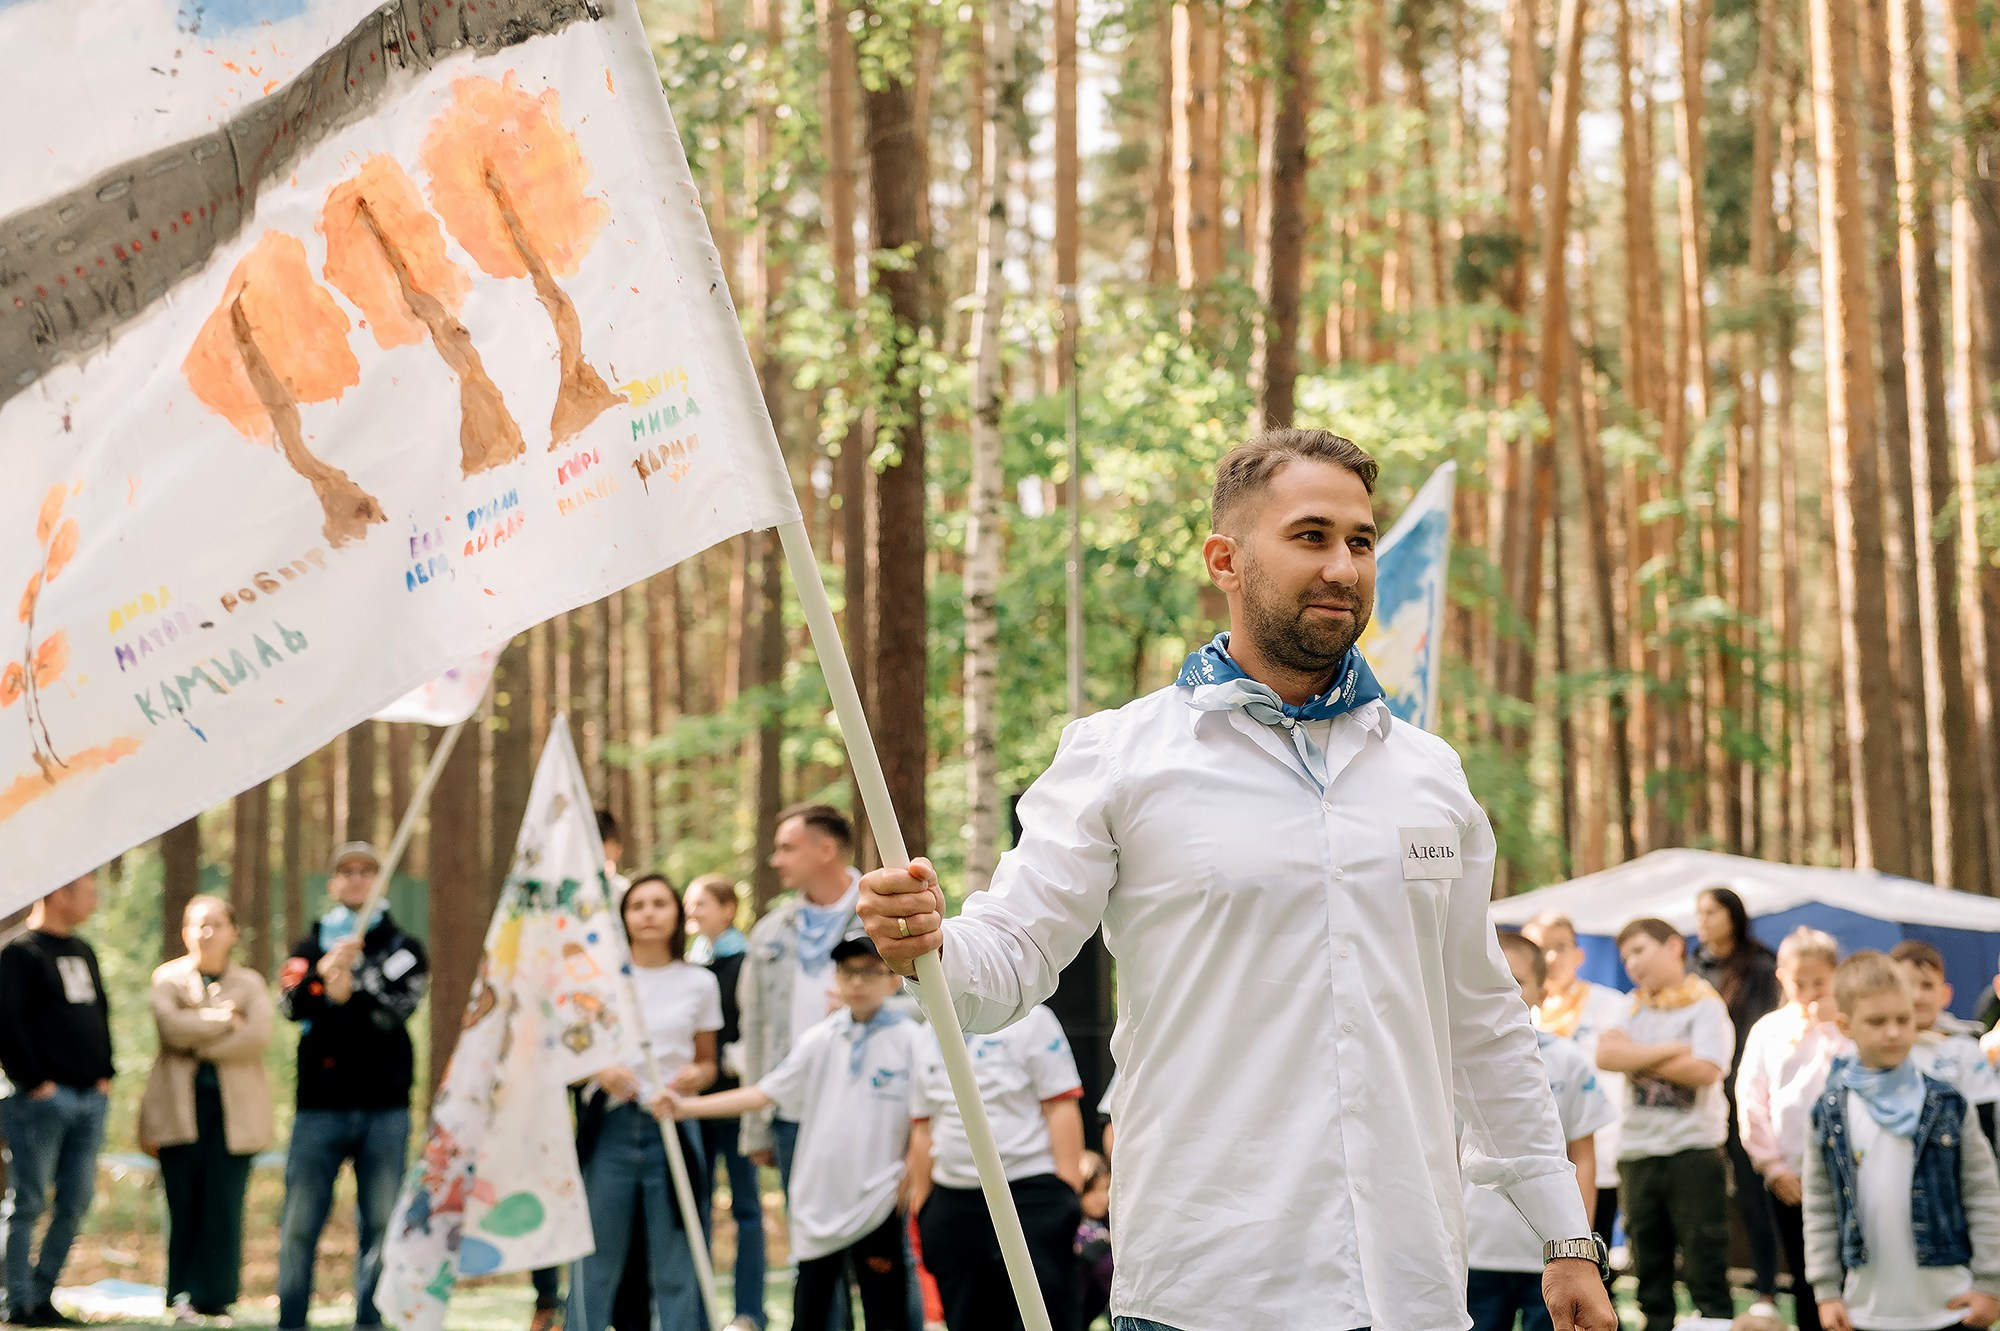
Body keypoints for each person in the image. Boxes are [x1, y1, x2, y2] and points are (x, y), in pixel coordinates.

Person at [857, 428, 1613, 1331]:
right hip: (1206, 1289)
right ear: (1226, 558)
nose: (1343, 565)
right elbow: (1009, 958)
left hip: (1412, 1287)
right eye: (1310, 535)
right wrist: (930, 942)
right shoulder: (1119, 757)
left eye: (1360, 541)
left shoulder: (1429, 774)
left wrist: (1567, 1238)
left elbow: (1483, 1014)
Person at [673, 929, 921, 1331]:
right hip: (819, 1201)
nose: (857, 982)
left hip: (878, 1198)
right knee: (813, 1310)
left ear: (893, 979)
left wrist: (912, 1173)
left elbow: (926, 1117)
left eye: (870, 971)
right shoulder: (821, 1039)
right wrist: (686, 1108)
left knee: (887, 1310)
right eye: (847, 971)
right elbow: (763, 1091)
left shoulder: (911, 1039)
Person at [275, 841, 430, 1331]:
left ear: (381, 882)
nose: (357, 878)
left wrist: (357, 980)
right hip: (318, 1108)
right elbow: (290, 1005)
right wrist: (322, 981)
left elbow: (398, 1011)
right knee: (300, 1226)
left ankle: (370, 1320)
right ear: (333, 883)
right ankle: (292, 1321)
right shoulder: (310, 944)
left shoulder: (404, 947)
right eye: (347, 871)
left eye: (367, 871)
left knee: (382, 1225)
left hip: (384, 1108)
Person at [1803, 951, 2000, 1331]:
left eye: (1903, 1019)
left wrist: (1991, 1283)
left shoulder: (1949, 1102)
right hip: (1865, 1311)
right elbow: (1820, 1206)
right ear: (1845, 1026)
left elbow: (1984, 1193)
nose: (1893, 1032)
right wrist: (1826, 1291)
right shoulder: (1829, 1112)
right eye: (1877, 1021)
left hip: (1950, 1307)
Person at [570, 874, 720, 1331]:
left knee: (678, 1259)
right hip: (610, 1131)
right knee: (594, 1260)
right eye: (637, 905)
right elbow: (570, 1056)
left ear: (677, 913)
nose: (649, 913)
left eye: (659, 903)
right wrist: (600, 1070)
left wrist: (695, 1077)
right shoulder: (600, 981)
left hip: (673, 1125)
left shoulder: (699, 982)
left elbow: (707, 1063)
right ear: (624, 916)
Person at [1465, 931, 1616, 1331]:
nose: (1499, 993)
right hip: (1472, 1255)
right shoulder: (1446, 1065)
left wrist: (1576, 1241)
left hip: (1549, 1256)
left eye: (1514, 982)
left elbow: (1582, 1154)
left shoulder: (1565, 1060)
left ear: (1541, 991)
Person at [1597, 917, 1736, 1331]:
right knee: (1648, 1267)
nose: (1632, 964)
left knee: (1704, 1259)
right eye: (1625, 958)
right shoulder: (1631, 1005)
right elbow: (1606, 1055)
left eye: (1639, 950)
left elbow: (1706, 1071)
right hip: (1637, 1153)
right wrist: (1672, 1050)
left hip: (1692, 1149)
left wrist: (1636, 1053)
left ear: (1674, 946)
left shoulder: (1706, 1005)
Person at [140, 896, 275, 1323]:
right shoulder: (168, 979)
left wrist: (196, 1033)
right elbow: (170, 1028)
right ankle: (181, 1293)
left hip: (234, 1113)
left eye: (217, 924)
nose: (207, 933)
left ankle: (215, 1297)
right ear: (185, 933)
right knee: (182, 1201)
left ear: (234, 932)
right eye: (198, 925)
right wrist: (222, 1021)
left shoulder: (250, 983)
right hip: (179, 1109)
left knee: (224, 1202)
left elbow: (257, 1035)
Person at [909, 1003, 1084, 1331]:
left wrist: (1066, 1190)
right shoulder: (924, 1034)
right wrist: (924, 1204)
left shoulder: (1032, 1018)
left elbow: (1060, 1103)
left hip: (1028, 1191)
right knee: (967, 1316)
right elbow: (923, 1125)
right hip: (953, 1200)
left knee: (1046, 1315)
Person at [0, 872, 112, 1328]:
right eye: (87, 890)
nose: (94, 899)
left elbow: (100, 1012)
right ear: (58, 892)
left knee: (77, 1198)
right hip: (40, 1102)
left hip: (90, 1098)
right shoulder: (18, 952)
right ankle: (16, 1299)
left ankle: (43, 1296)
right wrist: (34, 1083)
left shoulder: (83, 950)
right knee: (28, 1201)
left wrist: (105, 1074)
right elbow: (4, 1021)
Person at [739, 803, 862, 1187]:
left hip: (867, 1107)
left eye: (787, 848)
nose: (776, 861)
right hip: (791, 1113)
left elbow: (933, 1010)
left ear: (826, 850)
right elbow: (756, 1030)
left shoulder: (884, 916)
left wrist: (872, 1007)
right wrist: (755, 1126)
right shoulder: (769, 933)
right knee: (806, 1239)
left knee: (879, 1243)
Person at [1735, 927, 1844, 1331]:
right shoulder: (1769, 1030)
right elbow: (1751, 1098)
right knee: (1806, 1272)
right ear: (1782, 978)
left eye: (1821, 982)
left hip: (1849, 1172)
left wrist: (1833, 1027)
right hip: (1792, 1176)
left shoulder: (1848, 1027)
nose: (1811, 991)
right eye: (1801, 983)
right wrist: (1773, 1166)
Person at [1691, 886, 1785, 1311]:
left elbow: (1759, 1034)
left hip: (1743, 1095)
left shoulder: (1761, 965)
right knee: (1701, 1196)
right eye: (1699, 913)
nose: (1703, 921)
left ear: (1733, 916)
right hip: (1697, 1096)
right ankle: (1706, 1291)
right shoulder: (1694, 966)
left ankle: (1765, 1289)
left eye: (1712, 912)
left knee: (1752, 1194)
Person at [1523, 911, 1630, 1263]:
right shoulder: (1516, 1018)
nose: (1551, 958)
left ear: (1579, 955)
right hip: (1535, 1163)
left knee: (1592, 1263)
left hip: (1599, 1156)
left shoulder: (1612, 1006)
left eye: (1560, 947)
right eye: (1540, 948)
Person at [684, 873, 765, 1331]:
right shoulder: (690, 965)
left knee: (746, 1208)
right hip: (695, 1102)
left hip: (736, 1100)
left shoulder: (747, 960)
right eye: (690, 905)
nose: (693, 912)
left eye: (702, 904)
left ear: (728, 909)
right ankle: (695, 1314)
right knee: (695, 1207)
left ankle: (749, 1312)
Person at [1892, 941, 2000, 1148]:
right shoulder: (1882, 1050)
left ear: (1945, 994)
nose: (1917, 996)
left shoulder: (1964, 1050)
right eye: (1906, 985)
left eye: (1927, 985)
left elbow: (1986, 1121)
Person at [1074, 1152, 1112, 1331]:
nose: (1101, 1197)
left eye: (1105, 1188)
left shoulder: (1110, 1225)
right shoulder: (1071, 1228)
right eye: (1092, 1190)